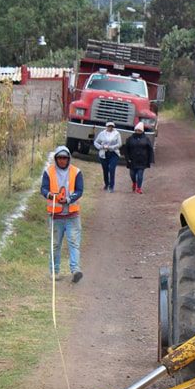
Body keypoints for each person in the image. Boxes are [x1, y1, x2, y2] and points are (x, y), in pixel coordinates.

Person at [40, 146, 83, 283]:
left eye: (65, 158)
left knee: (74, 243)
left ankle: (75, 270)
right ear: (56, 158)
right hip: (56, 216)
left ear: (68, 158)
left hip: (72, 215)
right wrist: (50, 195)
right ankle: (54, 272)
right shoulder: (49, 172)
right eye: (60, 158)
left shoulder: (76, 172)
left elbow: (80, 190)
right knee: (55, 245)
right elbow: (43, 188)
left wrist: (69, 199)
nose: (62, 160)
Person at [124, 122, 154, 194]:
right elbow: (126, 150)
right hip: (132, 160)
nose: (138, 131)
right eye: (137, 130)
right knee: (132, 174)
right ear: (135, 130)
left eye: (139, 130)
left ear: (142, 131)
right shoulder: (130, 139)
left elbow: (150, 150)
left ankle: (139, 188)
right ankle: (134, 182)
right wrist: (127, 158)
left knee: (140, 175)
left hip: (142, 160)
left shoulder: (146, 139)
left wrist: (150, 159)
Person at [93, 121, 121, 192]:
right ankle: (106, 184)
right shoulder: (102, 133)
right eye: (109, 126)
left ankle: (111, 186)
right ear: (106, 126)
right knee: (105, 170)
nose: (110, 127)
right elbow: (96, 142)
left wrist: (111, 147)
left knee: (112, 169)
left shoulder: (117, 134)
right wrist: (101, 147)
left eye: (111, 126)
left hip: (113, 153)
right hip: (104, 154)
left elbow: (119, 144)